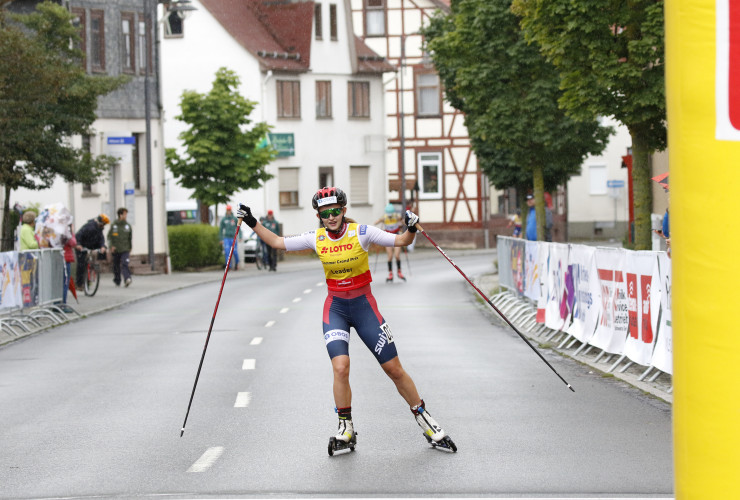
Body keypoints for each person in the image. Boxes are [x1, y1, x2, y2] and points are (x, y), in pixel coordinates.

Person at [236, 187, 456, 453]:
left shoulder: (362, 233)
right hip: (336, 309)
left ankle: (425, 419)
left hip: (364, 308)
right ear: (319, 215)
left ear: (344, 210)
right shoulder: (316, 238)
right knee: (341, 367)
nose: (331, 217)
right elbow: (276, 242)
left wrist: (410, 227)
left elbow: (401, 242)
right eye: (324, 213)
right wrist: (251, 220)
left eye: (335, 211)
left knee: (394, 369)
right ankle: (345, 427)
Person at [75, 214, 109, 288]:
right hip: (82, 246)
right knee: (81, 264)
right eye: (103, 224)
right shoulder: (89, 226)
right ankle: (79, 283)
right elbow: (79, 235)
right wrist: (78, 244)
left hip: (90, 246)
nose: (104, 226)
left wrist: (103, 246)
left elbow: (101, 238)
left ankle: (92, 274)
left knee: (93, 260)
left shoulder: (99, 229)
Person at [375, 203, 406, 282]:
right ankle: (390, 274)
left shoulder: (396, 216)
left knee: (397, 255)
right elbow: (375, 223)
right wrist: (380, 220)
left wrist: (402, 222)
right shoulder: (384, 217)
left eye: (390, 214)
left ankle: (399, 272)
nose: (389, 216)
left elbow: (403, 222)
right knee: (390, 256)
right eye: (388, 214)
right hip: (387, 238)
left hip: (396, 237)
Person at [108, 208, 133, 287]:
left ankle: (127, 278)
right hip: (116, 249)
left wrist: (130, 247)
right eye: (125, 214)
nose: (126, 216)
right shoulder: (114, 225)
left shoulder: (127, 226)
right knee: (116, 265)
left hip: (125, 249)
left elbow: (130, 237)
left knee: (125, 263)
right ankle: (117, 280)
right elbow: (109, 237)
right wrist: (111, 246)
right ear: (120, 215)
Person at [219, 205, 240, 270]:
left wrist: (240, 236)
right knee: (227, 251)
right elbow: (221, 229)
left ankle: (237, 263)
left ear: (231, 210)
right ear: (226, 211)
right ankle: (228, 266)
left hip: (233, 238)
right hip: (226, 238)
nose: (228, 211)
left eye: (229, 210)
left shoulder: (234, 219)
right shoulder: (224, 219)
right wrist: (221, 239)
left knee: (235, 251)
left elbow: (238, 227)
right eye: (227, 210)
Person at [60, 225, 77, 304]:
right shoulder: (66, 231)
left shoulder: (56, 230)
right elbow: (73, 242)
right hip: (66, 258)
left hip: (58, 257)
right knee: (65, 282)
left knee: (58, 283)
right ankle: (62, 303)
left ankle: (57, 303)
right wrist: (71, 233)